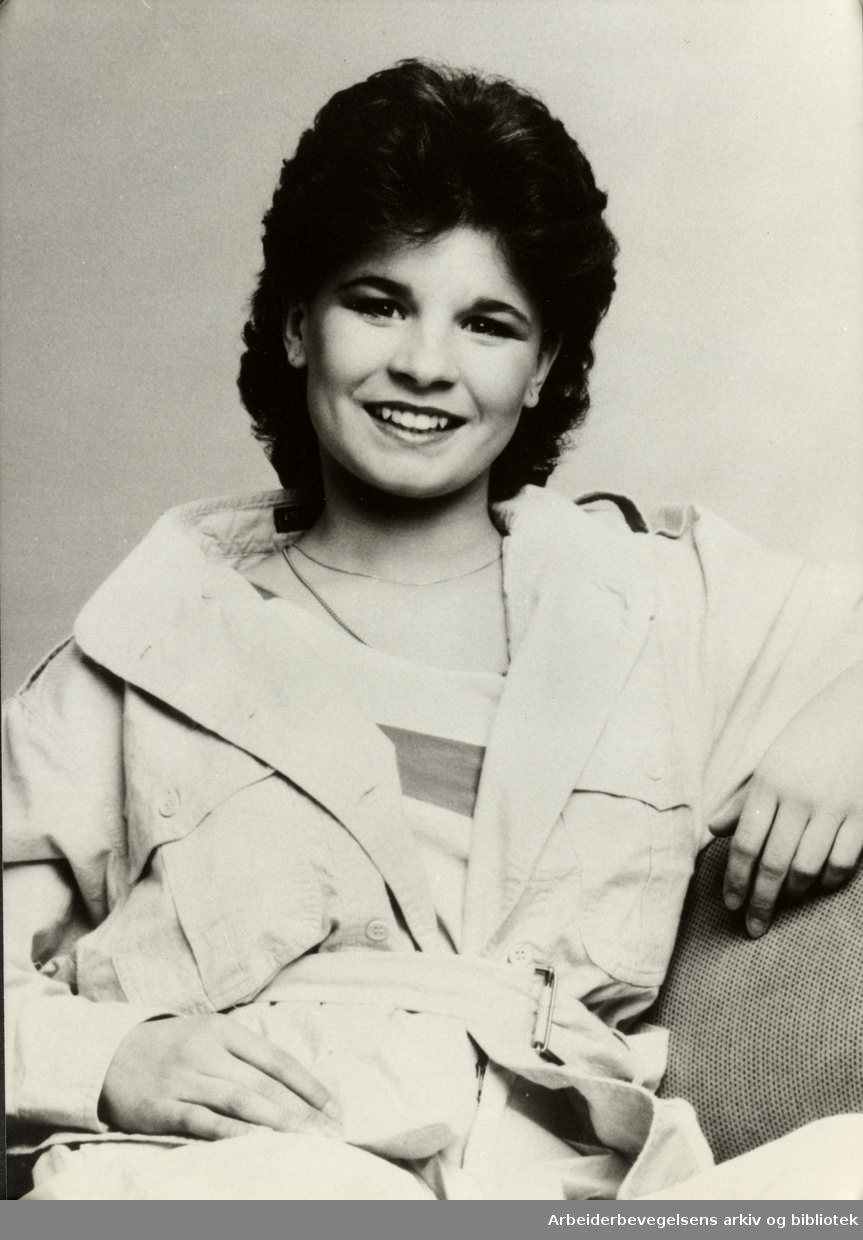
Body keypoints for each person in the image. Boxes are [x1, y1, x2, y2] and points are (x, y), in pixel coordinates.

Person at [4, 60, 862, 1201]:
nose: (423, 364)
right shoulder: (137, 647)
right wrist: (110, 1058)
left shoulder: (658, 600)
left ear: (542, 367)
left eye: (486, 324)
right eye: (378, 303)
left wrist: (847, 720)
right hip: (248, 1181)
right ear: (297, 325)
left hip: (567, 1192)